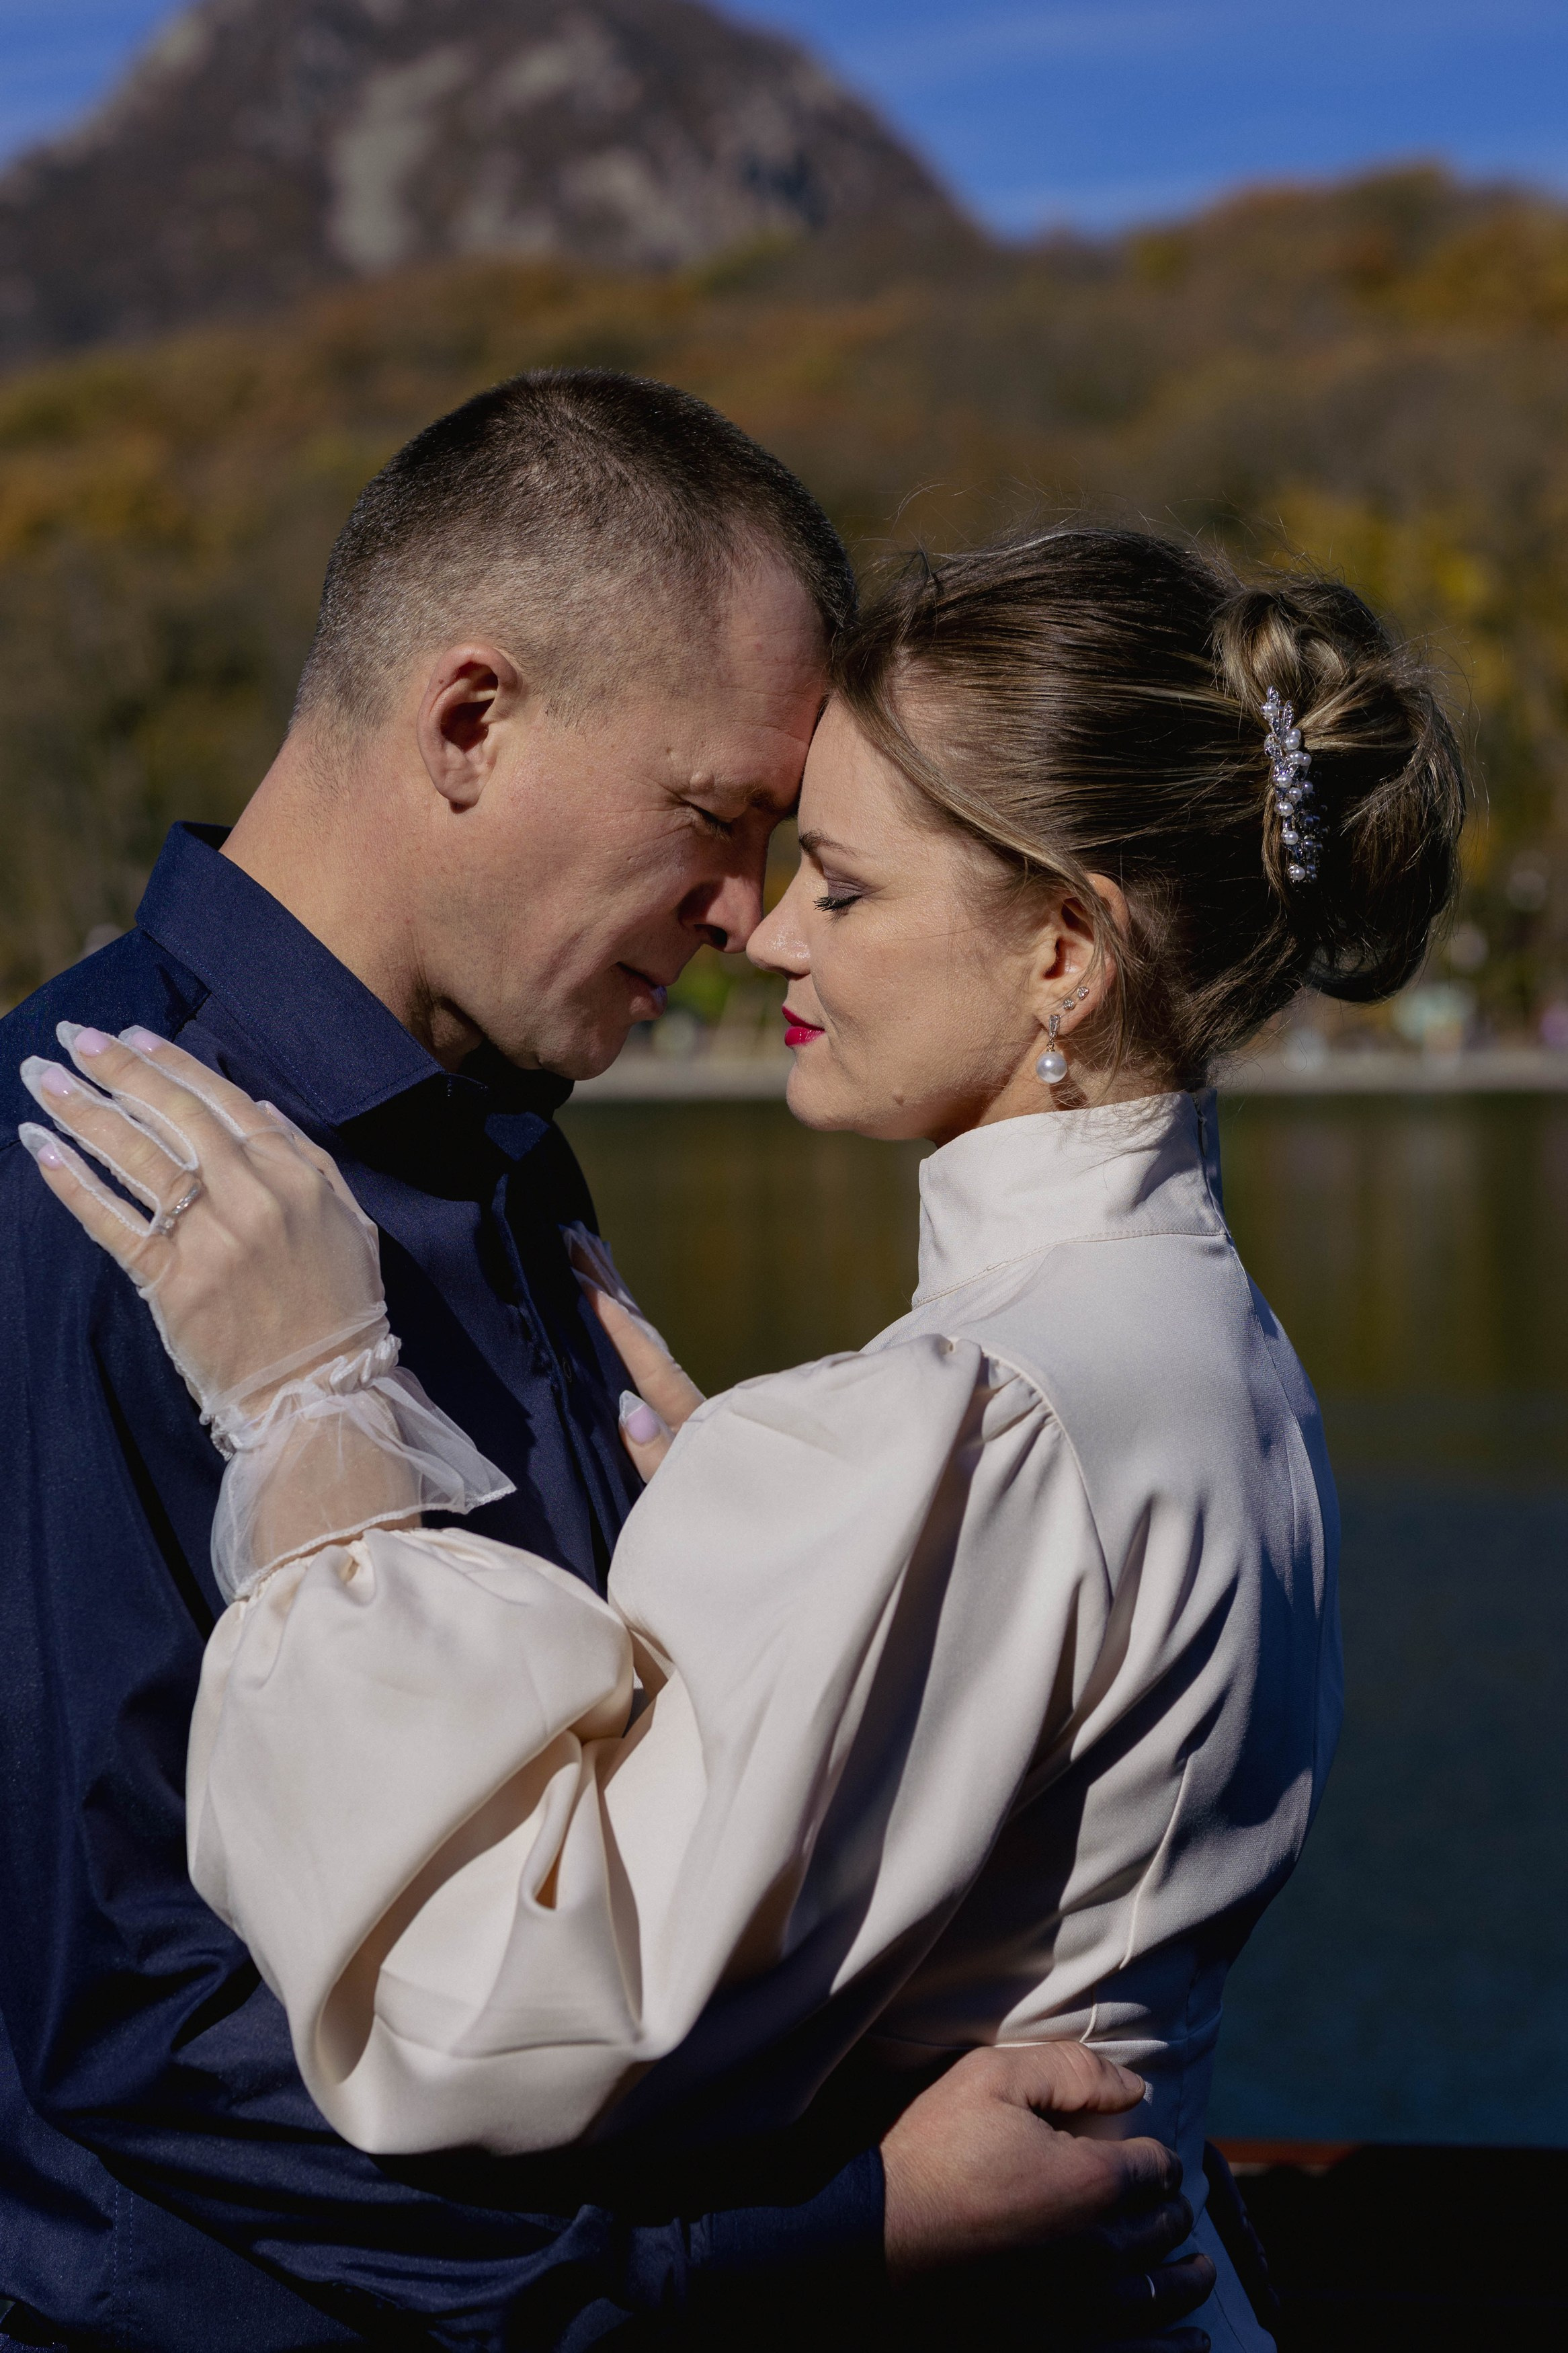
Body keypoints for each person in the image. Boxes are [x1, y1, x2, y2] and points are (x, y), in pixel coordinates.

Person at [18, 530, 1466, 2352]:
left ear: (1063, 952)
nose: (767, 927)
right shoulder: (1222, 1349)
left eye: (844, 888)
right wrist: (744, 1567)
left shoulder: (955, 1422)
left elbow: (473, 2010)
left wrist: (319, 1433)